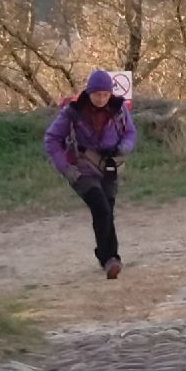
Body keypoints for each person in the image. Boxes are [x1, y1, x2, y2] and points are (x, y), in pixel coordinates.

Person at [44, 69, 137, 278]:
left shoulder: (119, 109)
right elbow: (51, 139)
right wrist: (66, 169)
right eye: (97, 94)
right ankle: (110, 258)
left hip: (109, 166)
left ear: (110, 93)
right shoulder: (72, 112)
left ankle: (107, 257)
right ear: (89, 92)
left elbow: (130, 132)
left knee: (106, 211)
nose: (101, 99)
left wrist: (125, 147)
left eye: (105, 94)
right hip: (81, 169)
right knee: (101, 207)